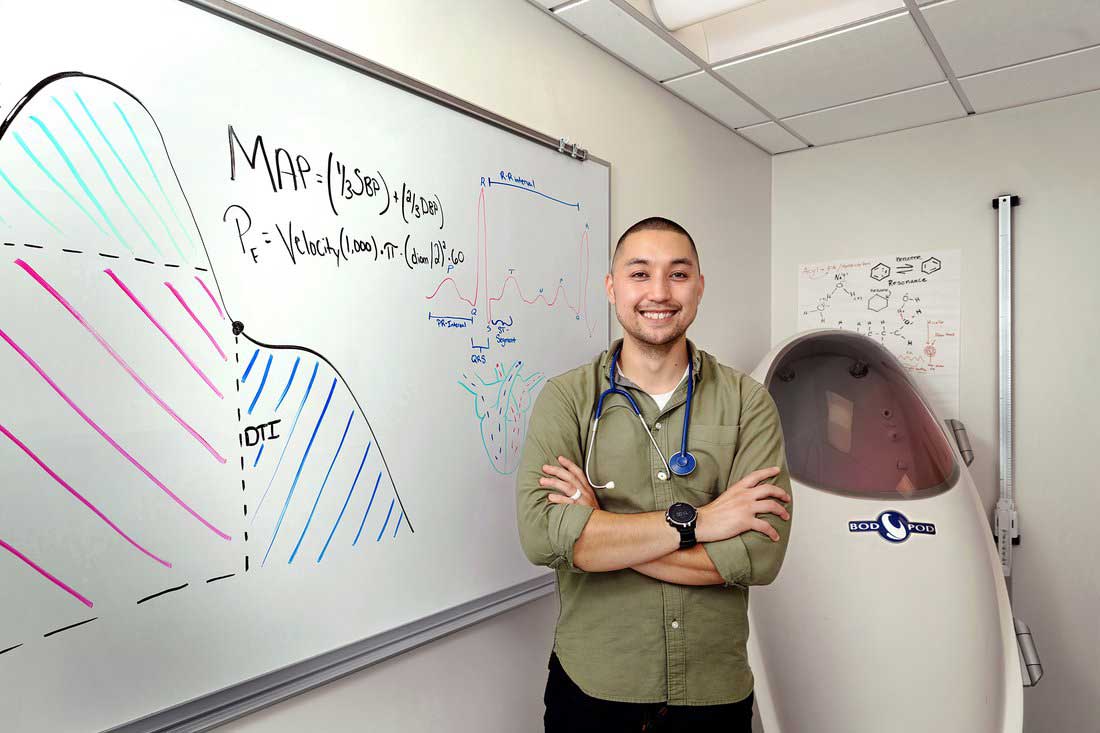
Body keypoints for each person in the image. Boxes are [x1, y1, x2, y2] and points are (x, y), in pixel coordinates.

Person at [515, 217, 793, 732]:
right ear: (612, 287)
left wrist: (603, 534)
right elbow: (542, 538)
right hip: (592, 689)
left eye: (678, 274)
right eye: (640, 274)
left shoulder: (747, 402)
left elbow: (759, 554)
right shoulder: (566, 400)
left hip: (713, 693)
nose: (659, 293)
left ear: (700, 286)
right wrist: (700, 523)